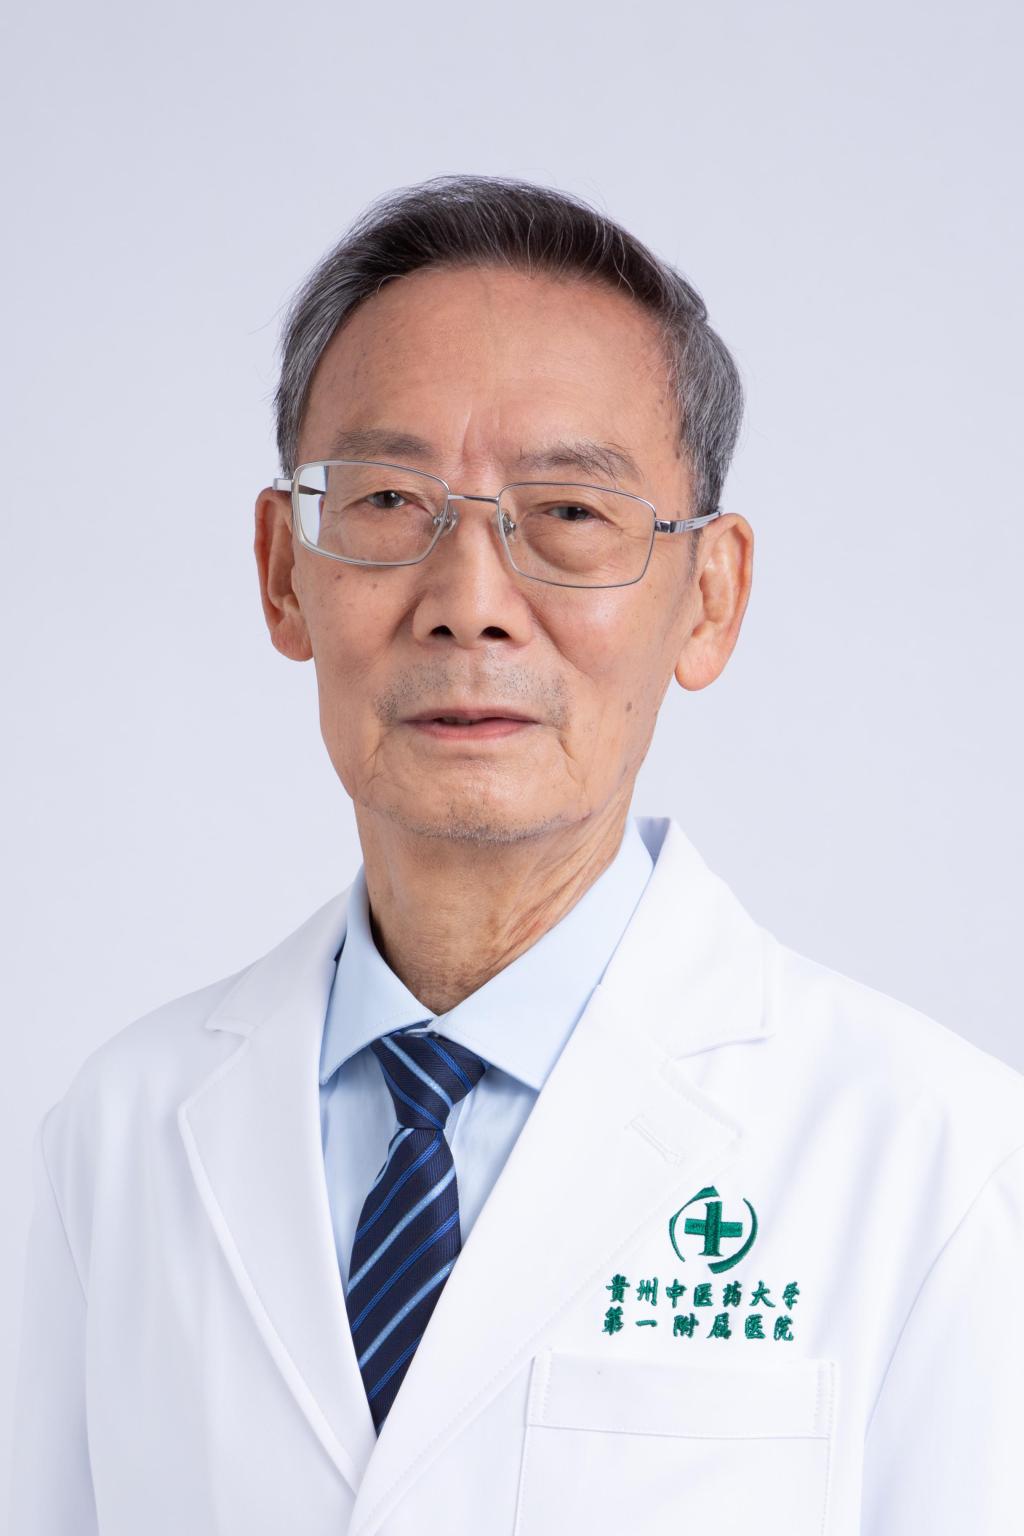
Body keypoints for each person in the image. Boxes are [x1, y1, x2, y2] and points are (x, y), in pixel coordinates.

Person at [9, 173, 1023, 1536]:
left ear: (710, 597)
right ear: (282, 569)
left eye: (572, 514)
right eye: (387, 499)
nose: (470, 604)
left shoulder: (939, 1164)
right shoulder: (118, 1138)